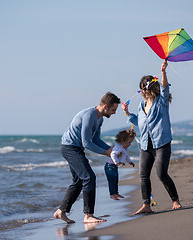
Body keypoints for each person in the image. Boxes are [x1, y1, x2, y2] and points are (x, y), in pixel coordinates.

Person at [122, 60, 182, 214]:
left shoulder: (161, 102)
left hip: (161, 143)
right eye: (142, 88)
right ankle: (146, 205)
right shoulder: (141, 106)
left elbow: (164, 89)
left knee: (161, 173)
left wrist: (163, 72)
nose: (144, 90)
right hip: (145, 145)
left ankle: (175, 200)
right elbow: (140, 123)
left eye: (146, 87)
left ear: (151, 87)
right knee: (143, 175)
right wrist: (128, 113)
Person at [54, 92, 121, 223]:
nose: (114, 113)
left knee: (78, 182)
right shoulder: (90, 115)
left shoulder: (100, 118)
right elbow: (87, 142)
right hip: (70, 147)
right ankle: (88, 215)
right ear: (105, 106)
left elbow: (95, 139)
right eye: (113, 110)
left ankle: (60, 212)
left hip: (75, 148)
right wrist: (106, 153)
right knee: (89, 177)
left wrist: (110, 149)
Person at [105, 129, 136, 200]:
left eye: (131, 142)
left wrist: (130, 162)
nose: (130, 144)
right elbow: (113, 154)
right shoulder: (118, 147)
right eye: (128, 142)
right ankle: (112, 194)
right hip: (110, 166)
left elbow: (126, 156)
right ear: (122, 141)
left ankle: (116, 193)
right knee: (112, 180)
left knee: (116, 180)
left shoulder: (124, 148)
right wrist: (117, 162)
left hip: (114, 166)